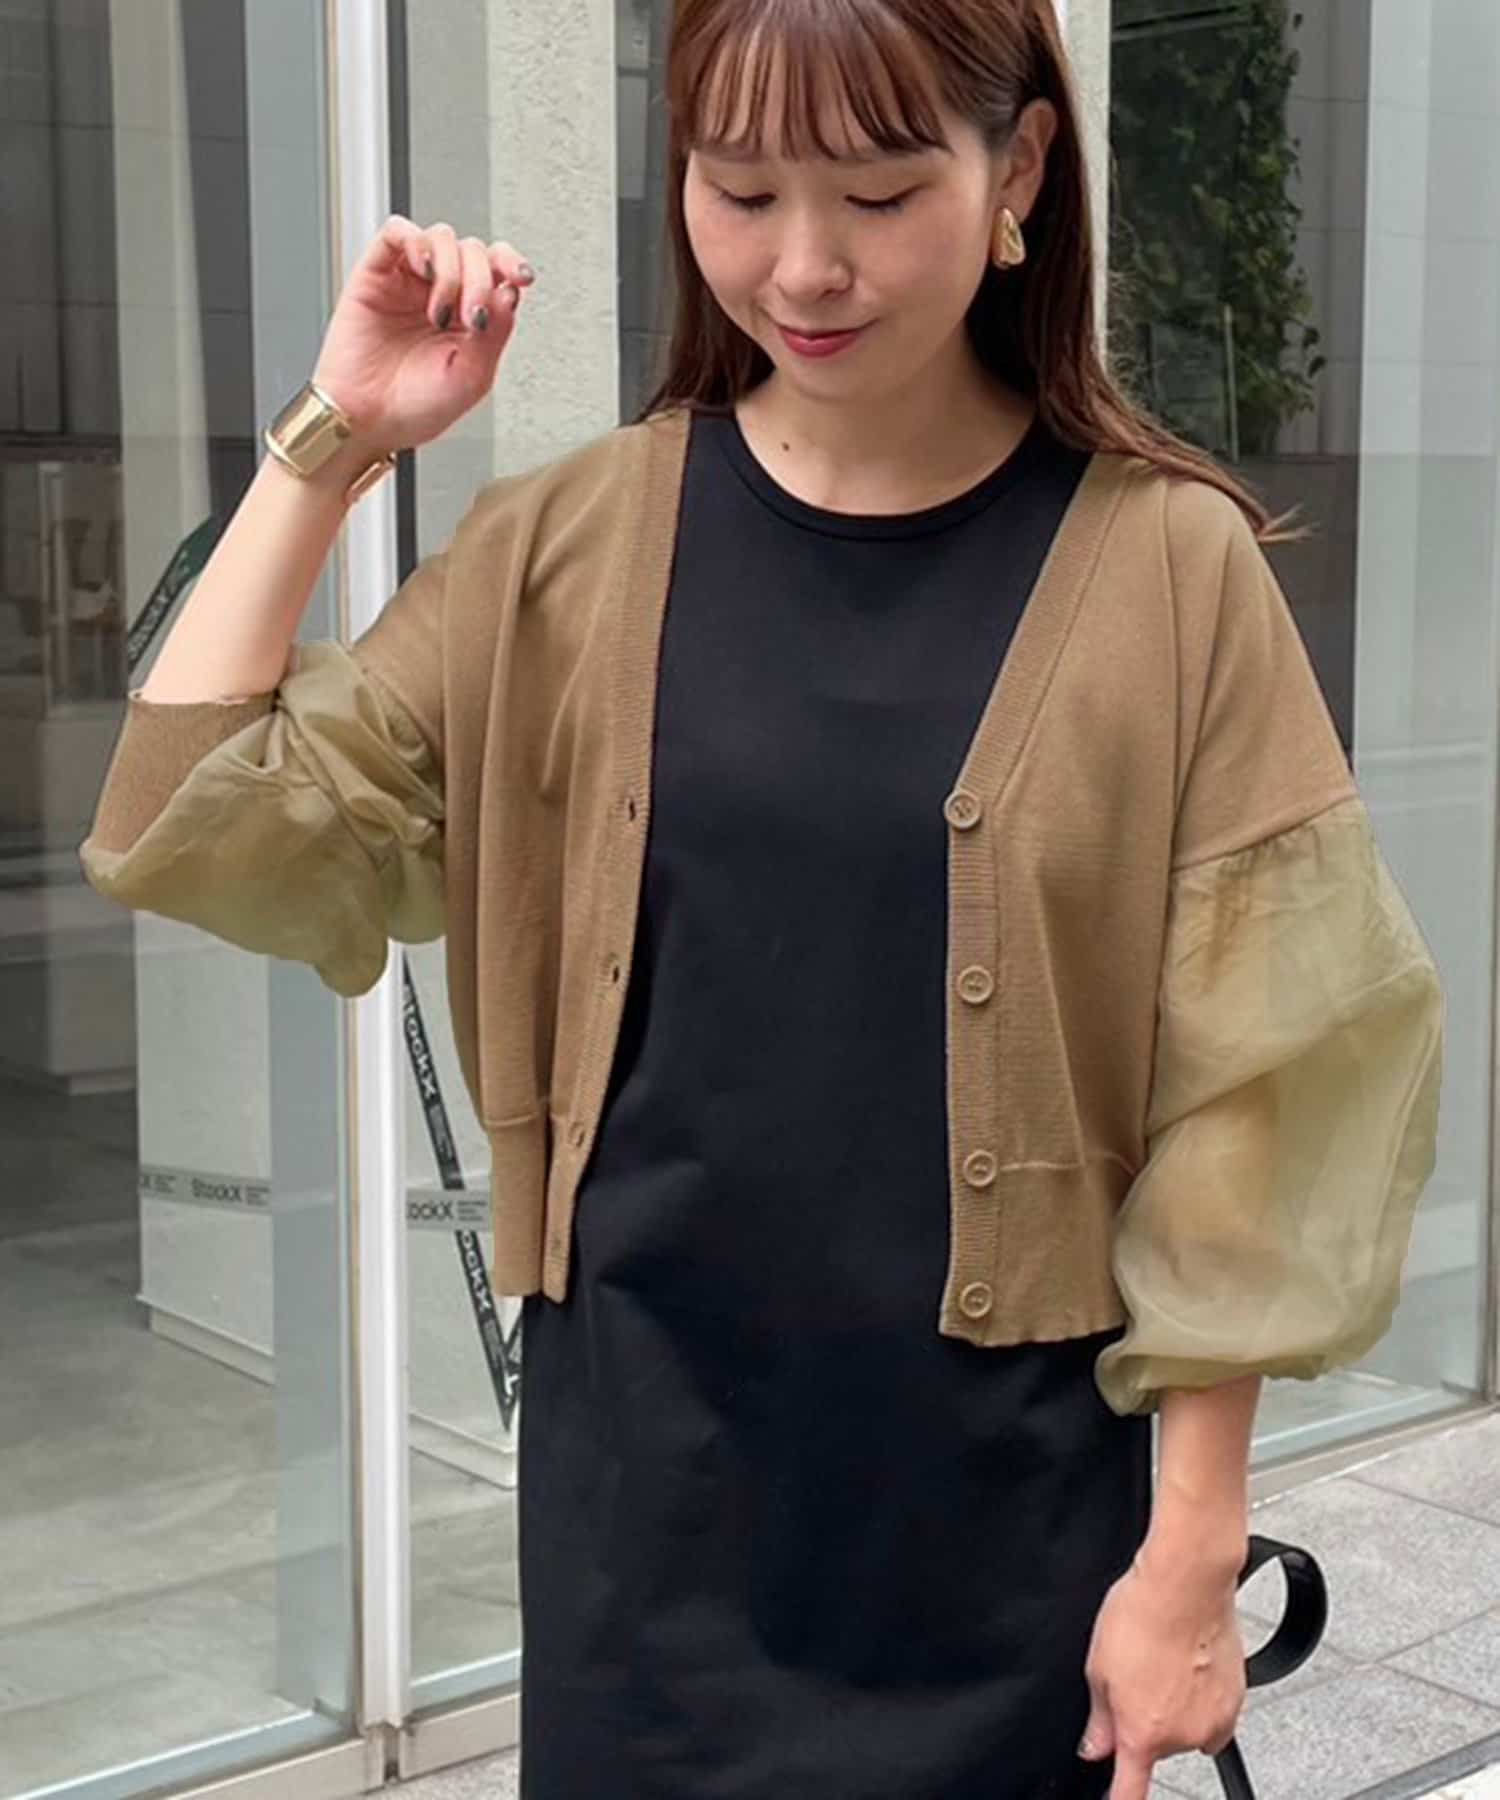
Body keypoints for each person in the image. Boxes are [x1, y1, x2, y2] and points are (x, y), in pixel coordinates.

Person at [80, 2, 1444, 1797]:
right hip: (642, 1522)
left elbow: (1261, 1097)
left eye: (878, 194)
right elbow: (194, 814)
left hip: (1002, 1534)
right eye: (739, 191)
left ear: (1020, 168)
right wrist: (333, 440)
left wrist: (1190, 1557)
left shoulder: (1169, 573)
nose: (804, 266)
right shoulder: (563, 548)